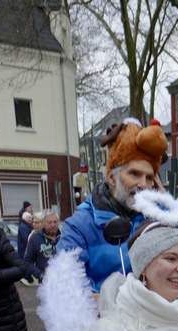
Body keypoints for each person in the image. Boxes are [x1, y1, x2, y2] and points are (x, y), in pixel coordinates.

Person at [57, 118, 168, 292]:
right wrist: (105, 303)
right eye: (134, 174)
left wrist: (166, 208)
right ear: (111, 176)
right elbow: (66, 285)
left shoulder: (156, 219)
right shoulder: (80, 226)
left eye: (149, 177)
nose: (143, 184)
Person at [23, 210, 60, 282]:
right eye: (49, 222)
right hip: (46, 284)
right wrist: (40, 275)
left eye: (55, 222)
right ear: (43, 223)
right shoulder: (35, 239)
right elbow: (27, 261)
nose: (52, 225)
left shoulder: (64, 237)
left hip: (65, 282)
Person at [18, 211, 35, 286]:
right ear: (25, 218)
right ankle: (27, 278)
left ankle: (27, 277)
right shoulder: (23, 226)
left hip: (25, 249)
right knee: (26, 263)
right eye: (29, 218)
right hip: (24, 249)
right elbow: (26, 238)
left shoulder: (26, 225)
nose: (30, 219)